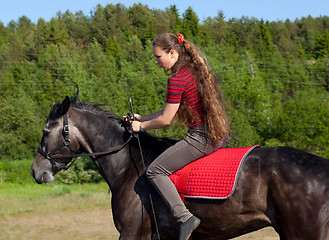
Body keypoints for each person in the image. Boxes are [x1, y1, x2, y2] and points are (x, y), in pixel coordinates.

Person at [128, 33, 229, 240]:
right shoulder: (191, 72)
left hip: (200, 137)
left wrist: (140, 127)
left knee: (155, 171)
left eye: (158, 57)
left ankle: (184, 218)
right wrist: (142, 118)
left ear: (172, 53)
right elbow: (168, 113)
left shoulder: (176, 80)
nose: (156, 62)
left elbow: (165, 120)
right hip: (216, 134)